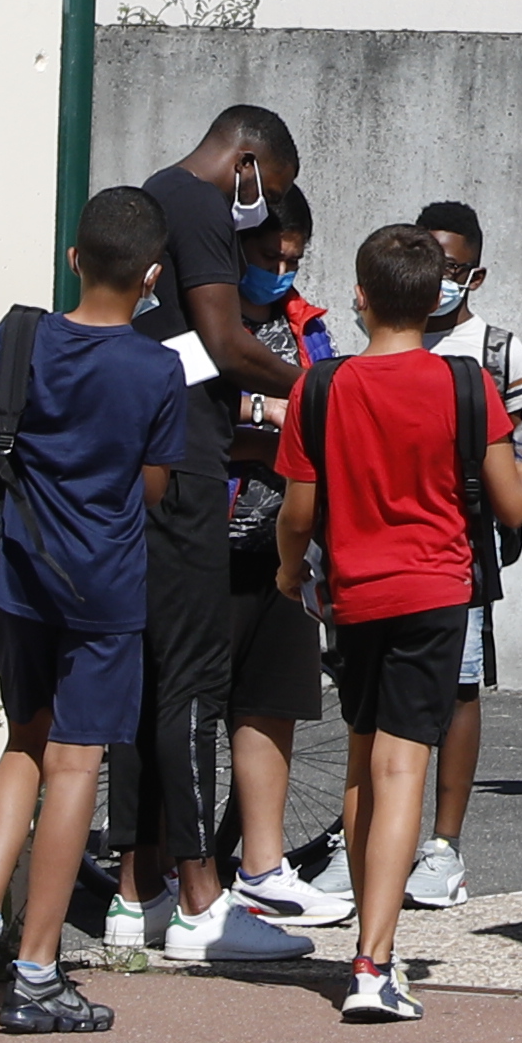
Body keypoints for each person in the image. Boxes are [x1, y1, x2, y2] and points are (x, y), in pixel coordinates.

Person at [0, 184, 193, 1031]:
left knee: (24, 744)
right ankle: (37, 971)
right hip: (105, 590)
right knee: (78, 763)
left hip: (16, 580)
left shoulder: (17, 338)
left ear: (75, 258)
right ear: (151, 277)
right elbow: (152, 488)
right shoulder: (158, 368)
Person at [281, 222, 522, 1025]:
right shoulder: (468, 387)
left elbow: (298, 513)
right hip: (433, 593)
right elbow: (513, 502)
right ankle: (375, 961)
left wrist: (292, 571)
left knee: (364, 764)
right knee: (402, 770)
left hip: (354, 596)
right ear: (438, 300)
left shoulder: (319, 387)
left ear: (360, 297)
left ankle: (369, 936)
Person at [110, 105, 300, 962]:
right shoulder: (200, 203)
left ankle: (135, 890)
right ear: (248, 159)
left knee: (149, 680)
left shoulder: (160, 194)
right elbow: (225, 342)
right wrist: (319, 387)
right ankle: (199, 902)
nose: (264, 215)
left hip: (160, 454)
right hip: (184, 463)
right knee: (190, 679)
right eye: (272, 192)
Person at [201, 183, 346, 959]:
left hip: (287, 547)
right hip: (205, 541)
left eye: (294, 258)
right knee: (193, 707)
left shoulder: (307, 327)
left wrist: (263, 428)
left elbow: (325, 419)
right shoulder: (208, 321)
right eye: (267, 256)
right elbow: (201, 425)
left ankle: (263, 864)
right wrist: (268, 427)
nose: (282, 270)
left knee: (269, 706)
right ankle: (180, 871)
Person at [407, 202, 522, 907]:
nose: (442, 279)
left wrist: (488, 480)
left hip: (461, 539)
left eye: (455, 269)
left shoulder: (497, 351)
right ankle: (373, 841)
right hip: (389, 536)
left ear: (477, 275)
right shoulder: (386, 336)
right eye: (430, 263)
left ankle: (445, 846)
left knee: (459, 688)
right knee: (381, 695)